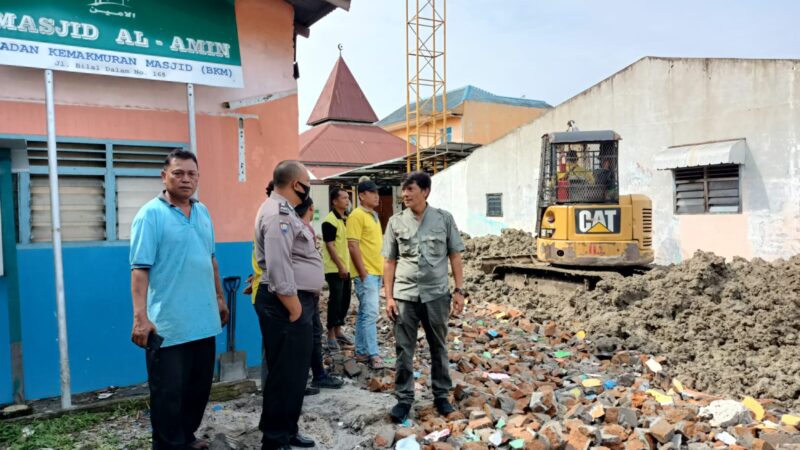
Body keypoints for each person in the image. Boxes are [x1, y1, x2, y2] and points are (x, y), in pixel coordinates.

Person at [129, 149, 229, 450]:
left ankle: (186, 438)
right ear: (164, 176)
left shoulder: (203, 212)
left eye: (191, 174)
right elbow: (139, 270)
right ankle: (168, 445)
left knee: (197, 390)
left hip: (203, 321)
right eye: (178, 173)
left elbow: (210, 259)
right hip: (167, 327)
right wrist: (140, 317)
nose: (186, 179)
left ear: (198, 178)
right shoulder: (150, 215)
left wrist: (220, 298)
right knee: (167, 394)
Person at [382, 171, 466, 423]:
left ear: (425, 191)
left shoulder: (444, 219)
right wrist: (388, 297)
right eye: (403, 190)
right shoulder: (396, 222)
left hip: (437, 295)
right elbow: (389, 262)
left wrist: (459, 290)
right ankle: (404, 400)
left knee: (438, 346)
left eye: (410, 190)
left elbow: (455, 256)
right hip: (405, 296)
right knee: (403, 349)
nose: (405, 194)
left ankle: (441, 396)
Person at [254, 160, 323, 450]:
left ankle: (288, 429)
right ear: (297, 184)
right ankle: (275, 439)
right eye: (306, 182)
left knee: (294, 375)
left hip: (294, 302)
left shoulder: (286, 212)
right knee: (284, 375)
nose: (308, 188)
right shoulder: (277, 213)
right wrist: (295, 309)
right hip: (286, 304)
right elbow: (279, 267)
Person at [293, 197, 344, 395]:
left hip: (310, 295)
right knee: (303, 337)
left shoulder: (307, 228)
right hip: (299, 294)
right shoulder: (294, 229)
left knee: (314, 333)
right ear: (311, 208)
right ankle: (301, 380)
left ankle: (318, 374)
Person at [347, 178, 385, 370]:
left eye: (377, 192)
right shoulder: (356, 215)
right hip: (366, 273)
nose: (377, 196)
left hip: (375, 272)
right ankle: (373, 353)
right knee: (371, 313)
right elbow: (352, 245)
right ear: (362, 195)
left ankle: (361, 351)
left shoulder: (373, 216)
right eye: (373, 192)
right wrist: (362, 273)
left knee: (364, 313)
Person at [246, 181, 275, 391]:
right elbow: (271, 262)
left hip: (261, 286)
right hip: (267, 290)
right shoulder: (272, 217)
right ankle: (270, 388)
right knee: (271, 345)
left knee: (271, 344)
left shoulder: (266, 214)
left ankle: (271, 387)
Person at [321, 187, 354, 352]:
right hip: (334, 268)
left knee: (345, 299)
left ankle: (339, 330)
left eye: (348, 198)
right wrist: (340, 265)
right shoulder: (329, 220)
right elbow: (330, 245)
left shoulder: (344, 219)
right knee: (336, 300)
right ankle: (331, 334)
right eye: (344, 198)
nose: (347, 200)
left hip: (346, 267)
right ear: (334, 201)